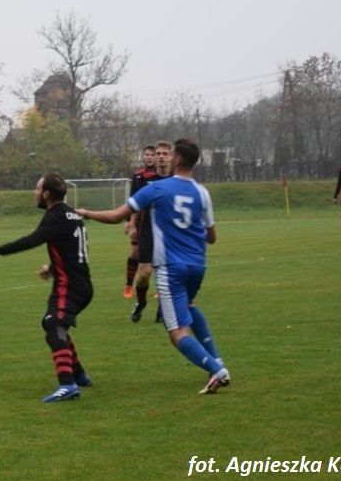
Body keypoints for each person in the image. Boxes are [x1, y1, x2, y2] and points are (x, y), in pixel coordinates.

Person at [78, 139, 231, 394]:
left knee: (176, 333)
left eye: (170, 155)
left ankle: (216, 370)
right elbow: (212, 237)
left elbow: (116, 216)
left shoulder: (157, 188)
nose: (165, 158)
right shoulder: (202, 192)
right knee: (190, 306)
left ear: (177, 159)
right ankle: (218, 360)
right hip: (198, 265)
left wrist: (86, 213)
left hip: (171, 268)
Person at [0, 173, 94, 403]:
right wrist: (52, 267)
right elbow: (72, 250)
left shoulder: (55, 216)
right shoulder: (71, 214)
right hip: (80, 283)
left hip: (69, 286)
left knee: (53, 324)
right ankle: (79, 375)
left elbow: (31, 240)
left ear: (46, 194)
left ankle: (67, 384)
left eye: (37, 189)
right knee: (53, 325)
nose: (34, 193)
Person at [128, 141, 172, 323]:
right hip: (148, 230)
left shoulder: (176, 179)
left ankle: (162, 308)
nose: (161, 157)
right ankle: (141, 302)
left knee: (167, 273)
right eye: (158, 153)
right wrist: (132, 224)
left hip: (169, 233)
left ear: (171, 157)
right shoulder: (146, 180)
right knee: (145, 273)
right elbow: (136, 204)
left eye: (164, 154)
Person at [123, 145, 157, 299]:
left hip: (157, 220)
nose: (149, 157)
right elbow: (132, 200)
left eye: (152, 155)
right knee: (135, 253)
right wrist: (129, 222)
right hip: (140, 220)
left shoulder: (162, 176)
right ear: (143, 157)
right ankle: (129, 285)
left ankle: (160, 288)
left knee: (159, 255)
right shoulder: (138, 176)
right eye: (147, 154)